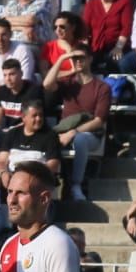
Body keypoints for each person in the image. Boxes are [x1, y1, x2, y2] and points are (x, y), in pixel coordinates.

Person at [45, 46, 111, 200]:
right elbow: (47, 84)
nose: (78, 61)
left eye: (81, 57)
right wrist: (62, 59)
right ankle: (48, 185)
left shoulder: (102, 87)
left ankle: (76, 185)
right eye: (75, 58)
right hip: (64, 131)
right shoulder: (68, 83)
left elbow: (99, 121)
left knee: (80, 139)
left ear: (90, 59)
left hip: (90, 134)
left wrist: (74, 132)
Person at [82, 0, 134, 72]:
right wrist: (85, 49)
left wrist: (118, 47)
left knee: (116, 63)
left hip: (118, 46)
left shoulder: (124, 0)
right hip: (96, 48)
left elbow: (126, 27)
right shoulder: (91, 4)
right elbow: (84, 28)